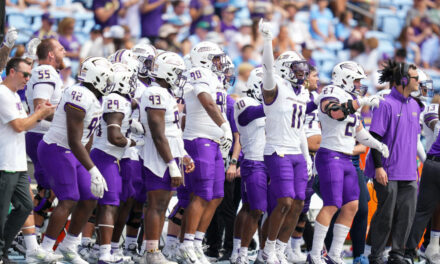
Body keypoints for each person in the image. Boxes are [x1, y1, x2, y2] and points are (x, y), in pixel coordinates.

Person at [308, 61, 389, 264]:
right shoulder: (330, 91)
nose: (359, 84)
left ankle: (335, 253)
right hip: (330, 155)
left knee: (352, 206)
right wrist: (362, 102)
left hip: (347, 158)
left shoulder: (352, 98)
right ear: (344, 77)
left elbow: (359, 132)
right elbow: (334, 111)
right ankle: (315, 254)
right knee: (332, 204)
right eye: (356, 79)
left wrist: (378, 145)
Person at [38, 57, 113, 264]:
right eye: (107, 79)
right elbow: (73, 139)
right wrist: (93, 169)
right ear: (97, 78)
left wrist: (88, 167)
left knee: (90, 195)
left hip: (71, 151)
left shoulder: (93, 96)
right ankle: (44, 249)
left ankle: (69, 246)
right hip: (57, 148)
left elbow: (84, 139)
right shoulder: (78, 94)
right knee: (69, 198)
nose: (109, 83)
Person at [258, 19, 313, 264]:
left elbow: (300, 128)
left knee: (299, 203)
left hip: (296, 153)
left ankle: (280, 248)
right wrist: (269, 39)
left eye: (303, 70)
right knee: (284, 201)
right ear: (284, 69)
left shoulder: (303, 92)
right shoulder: (275, 86)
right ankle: (267, 249)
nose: (301, 74)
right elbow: (268, 69)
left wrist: (307, 156)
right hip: (277, 150)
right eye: (296, 69)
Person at [179, 41, 232, 264]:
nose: (220, 63)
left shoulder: (215, 77)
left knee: (217, 195)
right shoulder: (198, 72)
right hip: (199, 138)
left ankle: (197, 242)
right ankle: (186, 244)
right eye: (216, 58)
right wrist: (225, 126)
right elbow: (207, 102)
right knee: (201, 194)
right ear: (204, 58)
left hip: (214, 141)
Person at [139, 51, 195, 263]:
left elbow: (172, 131)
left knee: (161, 203)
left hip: (169, 151)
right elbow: (157, 131)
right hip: (159, 154)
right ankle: (151, 252)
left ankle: (151, 251)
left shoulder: (165, 93)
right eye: (177, 72)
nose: (180, 77)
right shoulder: (155, 92)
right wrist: (171, 163)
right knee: (157, 203)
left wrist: (183, 155)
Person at [364, 61, 422, 264]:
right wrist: (378, 166)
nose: (419, 82)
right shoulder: (386, 104)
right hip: (387, 171)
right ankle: (376, 255)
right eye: (416, 78)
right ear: (403, 80)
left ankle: (397, 254)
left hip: (409, 172)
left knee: (406, 216)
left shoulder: (415, 105)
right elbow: (374, 139)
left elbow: (413, 141)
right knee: (385, 216)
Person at [0, 57, 56, 263]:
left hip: (17, 163)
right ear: (12, 72)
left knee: (25, 206)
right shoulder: (3, 94)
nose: (27, 79)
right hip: (4, 163)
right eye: (25, 74)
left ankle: (3, 248)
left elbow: (26, 123)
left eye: (30, 76)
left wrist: (42, 115)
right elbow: (19, 126)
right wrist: (40, 113)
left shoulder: (13, 95)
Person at [91, 62, 142, 264]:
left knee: (112, 204)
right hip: (106, 155)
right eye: (129, 81)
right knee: (109, 205)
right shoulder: (115, 100)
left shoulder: (118, 100)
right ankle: (104, 253)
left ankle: (105, 250)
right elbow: (115, 136)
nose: (132, 85)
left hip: (110, 156)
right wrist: (133, 140)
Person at [24, 38, 66, 234]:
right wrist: (72, 109)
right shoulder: (46, 71)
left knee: (49, 190)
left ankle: (33, 232)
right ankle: (25, 233)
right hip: (41, 135)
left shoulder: (48, 72)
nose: (65, 51)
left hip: (42, 134)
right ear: (50, 54)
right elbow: (41, 108)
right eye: (60, 48)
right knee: (47, 190)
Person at [233, 67, 267, 264]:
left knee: (254, 208)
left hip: (272, 159)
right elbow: (248, 116)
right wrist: (275, 104)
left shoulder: (269, 103)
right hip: (254, 160)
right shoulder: (244, 101)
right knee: (255, 209)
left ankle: (262, 252)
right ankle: (242, 253)